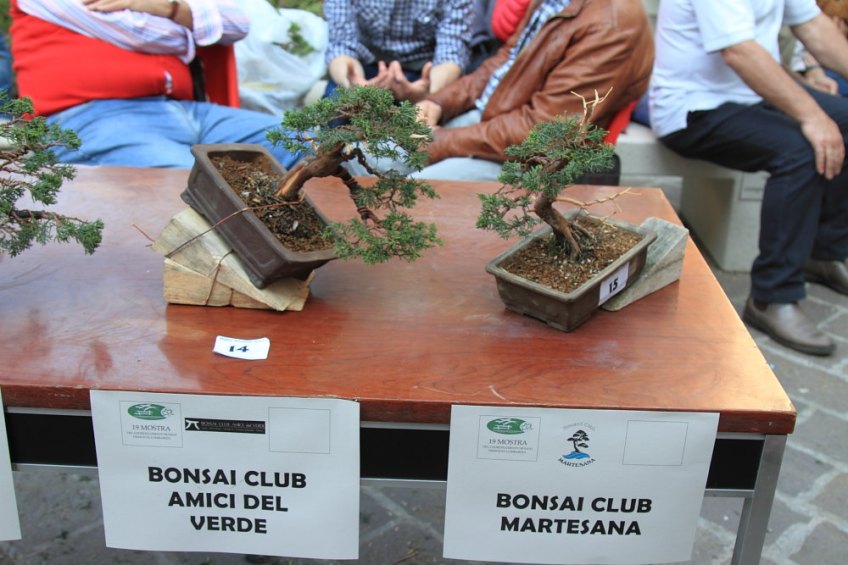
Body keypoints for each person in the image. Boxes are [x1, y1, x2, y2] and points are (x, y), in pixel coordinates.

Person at [650, 0, 848, 356]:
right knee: (800, 151)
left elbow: (814, 26)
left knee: (845, 121)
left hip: (754, 94)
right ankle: (772, 297)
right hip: (693, 107)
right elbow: (738, 51)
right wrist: (814, 118)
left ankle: (823, 252)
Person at [8, 0, 302, 170]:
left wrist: (169, 8)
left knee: (311, 143)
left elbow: (237, 23)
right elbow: (140, 32)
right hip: (91, 121)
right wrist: (191, 23)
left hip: (186, 111)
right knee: (198, 187)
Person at [405, 0, 653, 181]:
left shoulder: (612, 24)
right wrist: (439, 102)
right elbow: (504, 62)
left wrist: (443, 141)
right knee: (383, 154)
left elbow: (546, 132)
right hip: (492, 124)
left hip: (531, 160)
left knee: (411, 192)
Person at [323, 0, 472, 103]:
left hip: (425, 73)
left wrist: (429, 90)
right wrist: (353, 81)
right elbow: (340, 45)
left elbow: (451, 52)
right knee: (333, 115)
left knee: (431, 128)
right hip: (364, 66)